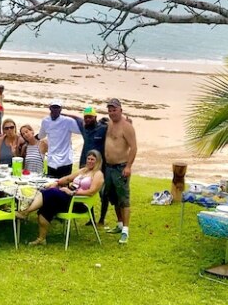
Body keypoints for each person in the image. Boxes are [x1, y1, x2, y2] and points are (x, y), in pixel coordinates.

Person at [16, 150, 105, 245]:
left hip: (80, 202)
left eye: (92, 159)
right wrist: (57, 182)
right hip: (70, 198)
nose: (90, 161)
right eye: (88, 159)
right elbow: (68, 178)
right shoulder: (83, 171)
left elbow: (91, 192)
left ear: (98, 161)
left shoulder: (98, 174)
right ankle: (41, 238)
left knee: (52, 192)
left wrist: (72, 192)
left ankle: (26, 212)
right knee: (48, 202)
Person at [102, 98, 137, 244]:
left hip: (120, 167)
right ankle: (120, 224)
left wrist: (128, 166)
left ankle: (125, 231)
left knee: (123, 198)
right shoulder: (109, 123)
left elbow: (134, 147)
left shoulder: (127, 127)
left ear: (121, 110)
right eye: (110, 110)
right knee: (113, 197)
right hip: (108, 167)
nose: (112, 113)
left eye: (114, 110)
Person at [38, 99, 81, 178]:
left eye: (57, 107)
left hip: (66, 161)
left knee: (64, 184)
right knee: (51, 183)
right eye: (53, 107)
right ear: (50, 108)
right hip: (51, 161)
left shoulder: (68, 121)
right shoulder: (45, 121)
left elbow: (81, 130)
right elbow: (41, 135)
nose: (55, 110)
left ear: (60, 109)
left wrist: (75, 117)